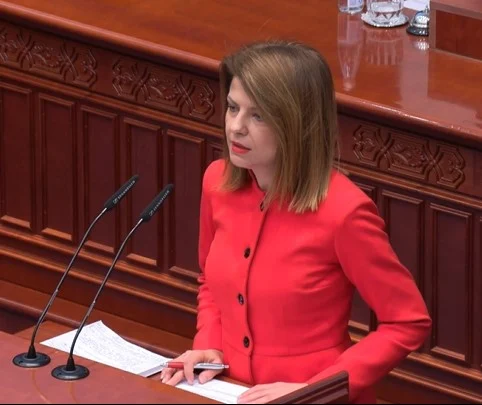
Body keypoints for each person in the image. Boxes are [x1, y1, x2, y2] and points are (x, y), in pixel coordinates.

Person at [159, 40, 431, 404]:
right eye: (233, 108)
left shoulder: (345, 211)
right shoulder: (217, 182)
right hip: (229, 390)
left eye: (258, 116)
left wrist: (316, 389)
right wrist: (209, 344)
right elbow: (210, 280)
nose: (236, 127)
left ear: (297, 124)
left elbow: (408, 321)